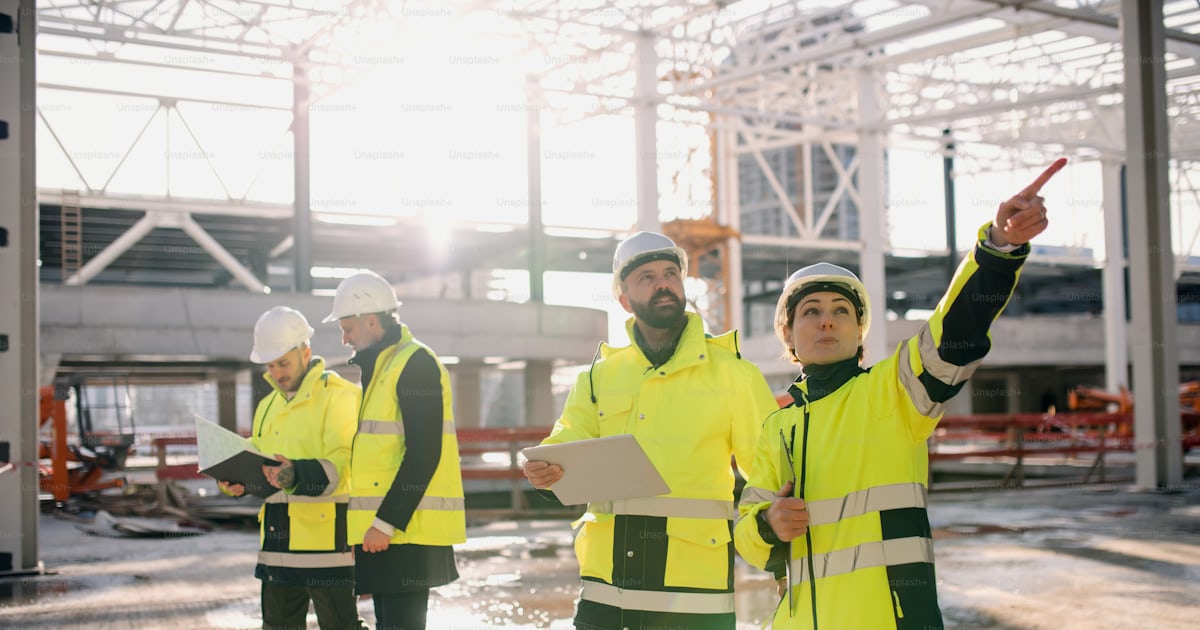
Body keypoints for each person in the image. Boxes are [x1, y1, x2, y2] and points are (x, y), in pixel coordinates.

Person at [734, 158, 1068, 629]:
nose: (826, 321)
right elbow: (746, 532)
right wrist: (768, 523)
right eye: (811, 311)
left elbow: (955, 332)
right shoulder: (777, 427)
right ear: (788, 334)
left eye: (841, 311)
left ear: (859, 332)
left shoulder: (894, 393)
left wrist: (997, 248)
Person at [522, 231, 779, 630]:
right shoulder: (598, 376)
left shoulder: (734, 375)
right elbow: (568, 443)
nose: (663, 284)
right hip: (606, 592)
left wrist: (775, 545)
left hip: (694, 593)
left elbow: (771, 472)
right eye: (647, 277)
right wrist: (545, 472)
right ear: (624, 299)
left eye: (671, 274)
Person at [323, 270, 465, 630]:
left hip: (404, 532)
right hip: (389, 532)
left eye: (347, 328)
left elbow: (424, 452)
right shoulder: (383, 368)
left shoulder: (414, 363)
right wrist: (364, 529)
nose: (344, 338)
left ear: (372, 321)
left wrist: (385, 523)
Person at [220, 306, 364, 630]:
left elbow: (345, 466)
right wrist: (236, 480)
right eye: (270, 365)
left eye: (283, 363)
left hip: (327, 547)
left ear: (306, 352)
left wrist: (296, 474)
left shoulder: (339, 396)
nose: (277, 373)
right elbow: (261, 462)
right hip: (277, 545)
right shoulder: (267, 405)